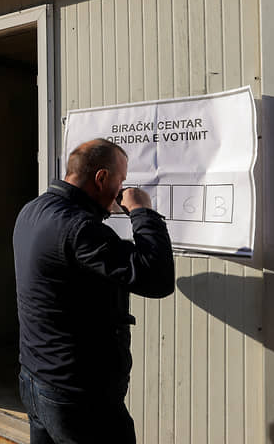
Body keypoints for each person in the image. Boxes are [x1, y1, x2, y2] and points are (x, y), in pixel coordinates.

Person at [13, 138, 175, 443]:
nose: (123, 188)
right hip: (79, 398)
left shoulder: (33, 210)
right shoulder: (80, 229)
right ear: (101, 178)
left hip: (35, 379)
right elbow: (158, 278)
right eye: (121, 180)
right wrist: (142, 211)